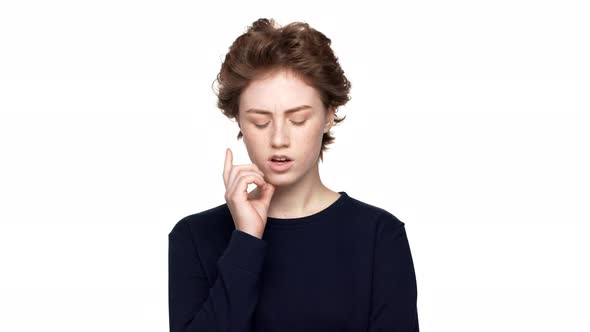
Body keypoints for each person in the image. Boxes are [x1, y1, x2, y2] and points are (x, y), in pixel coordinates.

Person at [168, 18, 419, 331]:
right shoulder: (194, 237)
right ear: (239, 123)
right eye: (260, 121)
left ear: (329, 115)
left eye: (298, 119)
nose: (278, 139)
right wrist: (245, 240)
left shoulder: (379, 237)